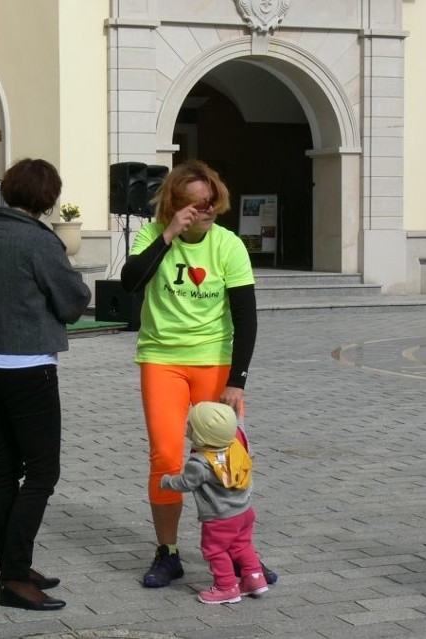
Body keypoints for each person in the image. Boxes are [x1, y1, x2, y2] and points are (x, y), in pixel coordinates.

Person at [120, 159, 267, 588]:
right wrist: (167, 235)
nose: (200, 212)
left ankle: (240, 553)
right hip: (162, 359)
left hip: (214, 362)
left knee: (225, 458)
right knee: (166, 457)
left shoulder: (228, 246)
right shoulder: (153, 235)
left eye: (207, 204)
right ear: (172, 205)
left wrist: (237, 380)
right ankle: (167, 552)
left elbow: (246, 317)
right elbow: (131, 281)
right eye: (190, 204)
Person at [0, 158, 91, 611]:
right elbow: (74, 301)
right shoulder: (40, 241)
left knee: (5, 469)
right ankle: (14, 579)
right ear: (47, 197)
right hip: (28, 368)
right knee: (42, 474)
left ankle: (13, 566)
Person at [160, 401, 268, 604]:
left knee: (215, 550)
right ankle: (255, 578)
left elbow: (185, 483)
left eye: (191, 425)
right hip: (244, 511)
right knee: (242, 545)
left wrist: (166, 482)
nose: (187, 428)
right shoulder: (236, 447)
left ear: (202, 435)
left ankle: (226, 586)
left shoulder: (200, 463)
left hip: (220, 518)